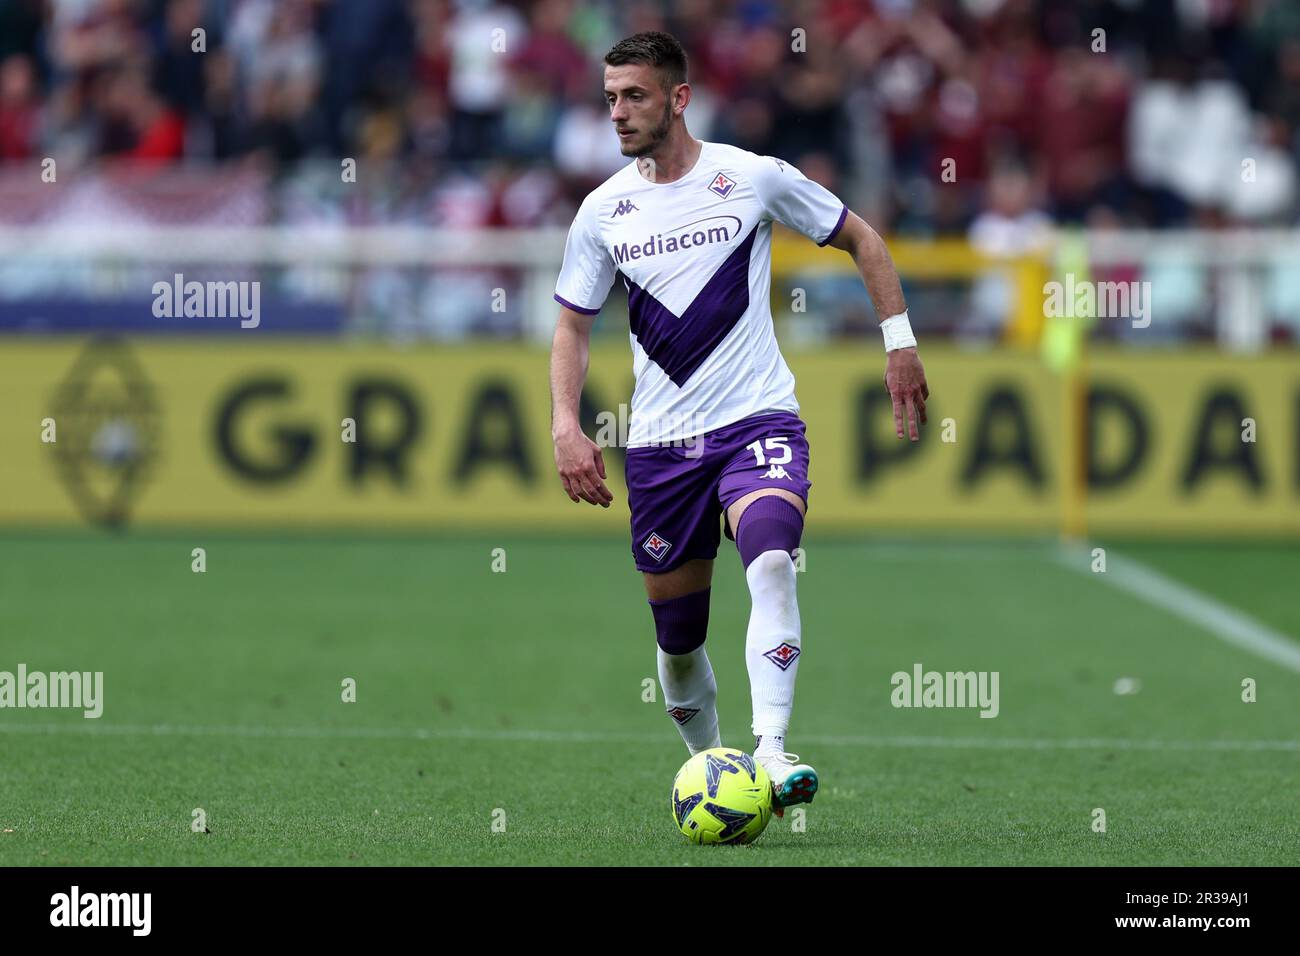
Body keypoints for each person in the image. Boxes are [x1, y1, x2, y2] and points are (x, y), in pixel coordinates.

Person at [548, 31, 928, 815]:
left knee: (773, 562)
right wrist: (564, 424)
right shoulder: (601, 213)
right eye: (611, 97)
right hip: (659, 447)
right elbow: (572, 327)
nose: (617, 112)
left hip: (757, 420)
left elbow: (863, 238)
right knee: (678, 640)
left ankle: (773, 751)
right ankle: (717, 771)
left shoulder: (749, 177)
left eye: (636, 96)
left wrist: (900, 346)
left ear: (679, 99)